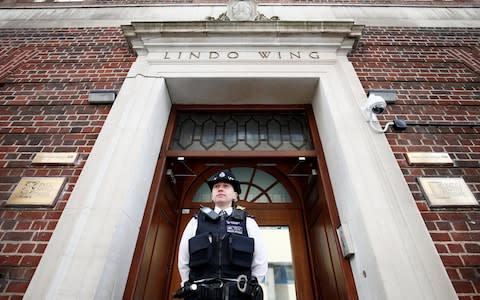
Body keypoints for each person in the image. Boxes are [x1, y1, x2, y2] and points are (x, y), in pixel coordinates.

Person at [174, 169, 268, 300]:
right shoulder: (196, 221)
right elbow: (183, 258)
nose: (220, 189)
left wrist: (253, 284)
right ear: (212, 196)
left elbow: (260, 259)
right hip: (201, 293)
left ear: (235, 195)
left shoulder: (248, 222)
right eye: (216, 187)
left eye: (226, 186)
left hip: (238, 294)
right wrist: (186, 283)